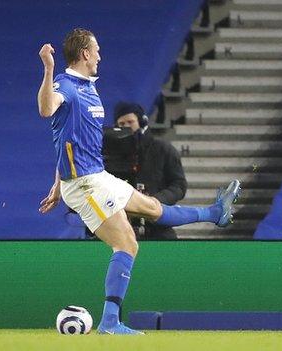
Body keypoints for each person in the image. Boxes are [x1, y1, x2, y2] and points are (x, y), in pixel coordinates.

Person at [36, 28, 240, 335]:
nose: (100, 55)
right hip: (84, 185)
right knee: (127, 243)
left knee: (153, 208)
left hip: (97, 176)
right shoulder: (65, 84)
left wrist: (57, 180)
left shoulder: (88, 88)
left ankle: (215, 214)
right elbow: (46, 109)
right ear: (85, 54)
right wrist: (48, 68)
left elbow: (67, 137)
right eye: (97, 50)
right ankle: (109, 322)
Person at [108, 101, 187, 240]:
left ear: (142, 122)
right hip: (121, 227)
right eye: (121, 124)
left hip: (157, 226)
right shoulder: (109, 156)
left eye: (130, 122)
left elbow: (179, 185)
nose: (126, 127)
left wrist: (154, 201)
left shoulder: (163, 149)